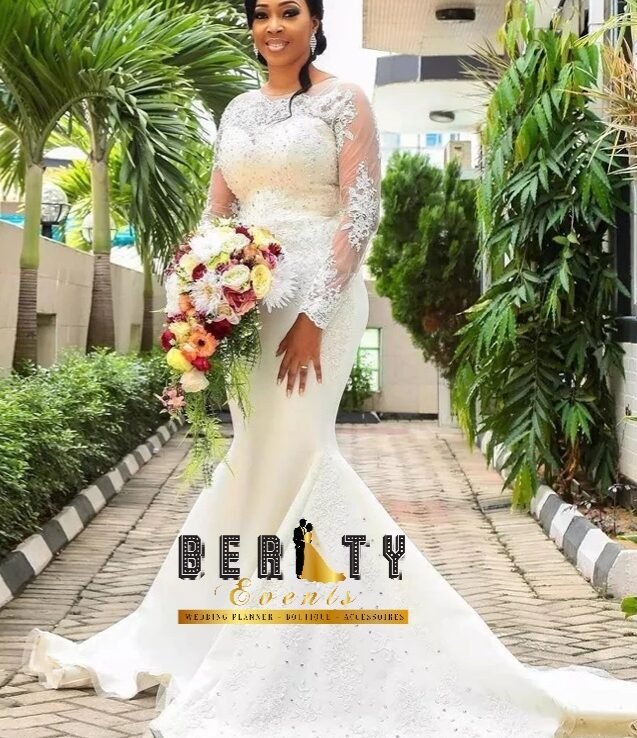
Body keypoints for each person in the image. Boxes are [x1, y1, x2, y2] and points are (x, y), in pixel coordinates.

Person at [19, 0, 637, 736]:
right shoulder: (238, 110)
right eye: (261, 14)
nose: (273, 26)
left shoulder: (346, 101)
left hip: (321, 298)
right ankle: (230, 623)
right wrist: (197, 298)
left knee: (303, 452)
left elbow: (359, 212)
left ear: (315, 23)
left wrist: (315, 314)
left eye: (290, 12)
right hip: (246, 300)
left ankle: (305, 633)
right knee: (255, 455)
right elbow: (219, 211)